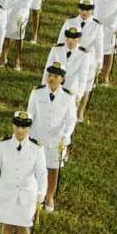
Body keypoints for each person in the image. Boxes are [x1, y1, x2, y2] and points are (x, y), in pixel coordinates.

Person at [27, 65, 78, 212]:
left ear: (62, 79)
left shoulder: (68, 97)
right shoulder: (37, 93)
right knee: (35, 167)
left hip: (56, 140)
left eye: (55, 76)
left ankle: (49, 196)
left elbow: (71, 119)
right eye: (50, 75)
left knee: (53, 169)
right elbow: (30, 115)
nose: (51, 79)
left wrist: (66, 136)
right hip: (38, 136)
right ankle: (34, 195)